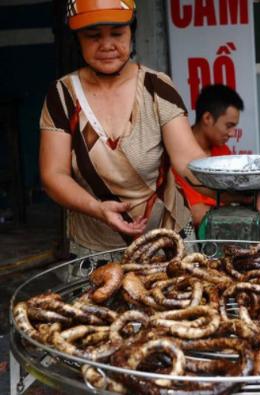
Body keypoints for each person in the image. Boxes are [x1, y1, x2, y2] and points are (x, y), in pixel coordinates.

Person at [39, 0, 212, 255]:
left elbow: (187, 161)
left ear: (132, 32)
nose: (107, 45)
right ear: (77, 39)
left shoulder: (156, 87)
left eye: (117, 34)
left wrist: (236, 191)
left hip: (167, 242)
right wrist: (97, 209)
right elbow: (53, 175)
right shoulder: (62, 96)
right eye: (93, 36)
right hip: (95, 250)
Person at [173, 84, 260, 228]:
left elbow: (236, 194)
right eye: (229, 126)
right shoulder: (180, 159)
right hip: (216, 226)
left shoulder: (222, 151)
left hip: (238, 213)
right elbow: (195, 214)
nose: (233, 133)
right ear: (207, 118)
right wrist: (254, 212)